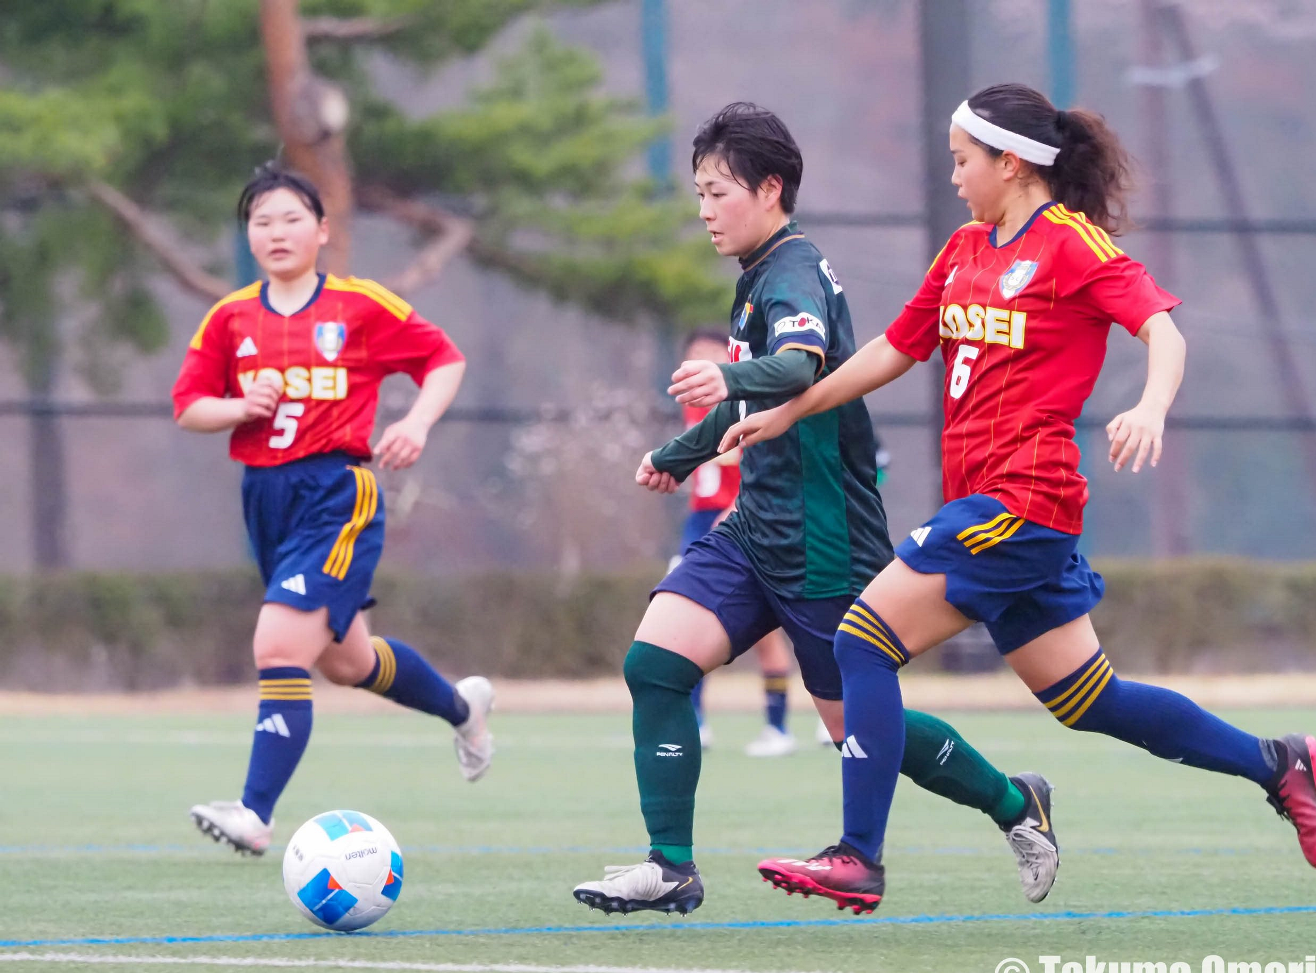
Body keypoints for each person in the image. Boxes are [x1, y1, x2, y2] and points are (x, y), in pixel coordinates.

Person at [721, 83, 1316, 914]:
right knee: (1090, 700)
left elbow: (1163, 329)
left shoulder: (1071, 245)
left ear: (1012, 164)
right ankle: (1277, 761)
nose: (955, 177)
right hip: (997, 510)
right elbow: (893, 352)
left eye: (963, 161)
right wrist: (783, 411)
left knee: (862, 638)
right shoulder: (965, 249)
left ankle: (857, 857)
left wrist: (1148, 406)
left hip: (1023, 499)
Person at [571, 103, 1055, 917]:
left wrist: (727, 381)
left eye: (717, 191)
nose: (703, 210)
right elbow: (758, 400)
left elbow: (796, 368)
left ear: (769, 189)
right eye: (697, 192)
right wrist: (680, 455)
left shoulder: (793, 269)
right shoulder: (758, 276)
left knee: (856, 727)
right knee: (655, 664)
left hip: (824, 537)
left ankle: (1015, 803)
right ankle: (671, 867)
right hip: (756, 526)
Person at [171, 165, 495, 856]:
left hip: (336, 493)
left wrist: (417, 423)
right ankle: (464, 709)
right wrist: (239, 406)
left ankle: (255, 815)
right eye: (262, 221)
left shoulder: (359, 306)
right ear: (248, 237)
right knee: (346, 663)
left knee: (279, 646)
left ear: (323, 230)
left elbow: (445, 359)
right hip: (264, 496)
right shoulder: (230, 318)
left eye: (291, 218)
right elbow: (189, 407)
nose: (276, 232)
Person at [672, 326, 800, 758]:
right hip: (700, 523)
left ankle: (781, 727)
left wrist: (730, 518)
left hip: (737, 521)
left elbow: (742, 461)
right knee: (682, 627)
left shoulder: (743, 403)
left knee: (767, 633)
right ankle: (695, 722)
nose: (700, 360)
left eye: (710, 353)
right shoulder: (692, 407)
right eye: (694, 353)